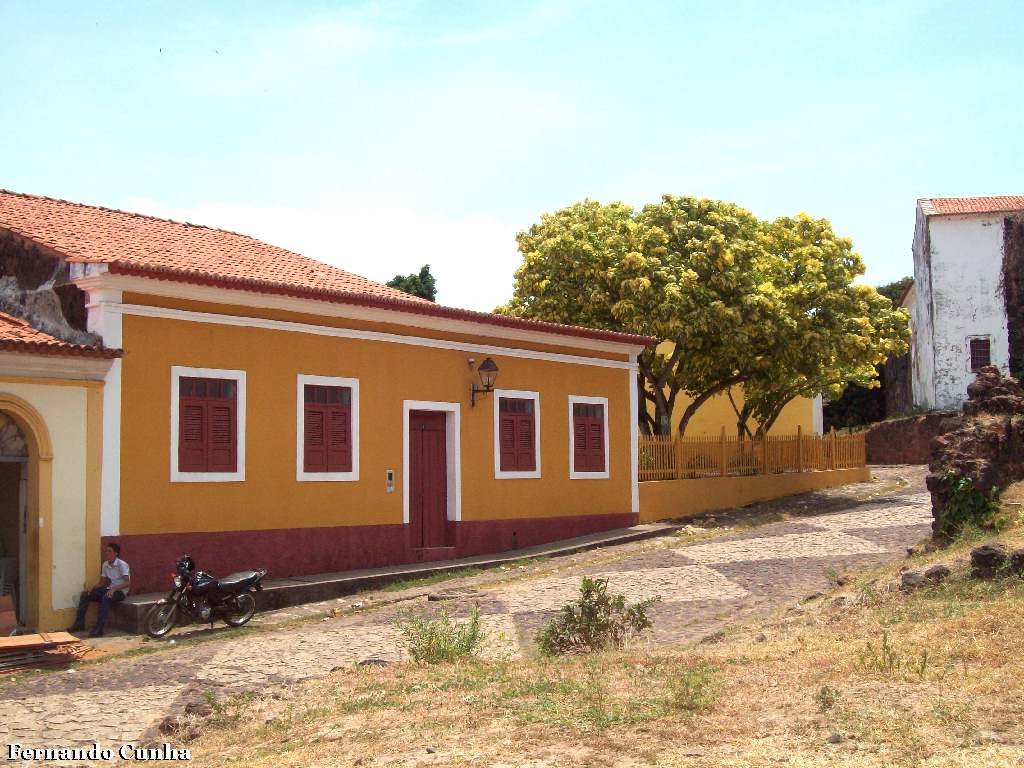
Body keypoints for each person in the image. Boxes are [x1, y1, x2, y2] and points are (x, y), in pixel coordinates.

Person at [69, 542, 130, 637]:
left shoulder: (122, 564)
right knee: (85, 595)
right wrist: (91, 589)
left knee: (105, 598)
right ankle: (79, 624)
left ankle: (99, 628)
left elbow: (127, 583)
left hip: (120, 592)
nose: (107, 553)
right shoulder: (105, 564)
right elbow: (101, 582)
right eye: (106, 551)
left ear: (116, 553)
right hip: (109, 589)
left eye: (109, 551)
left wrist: (114, 589)